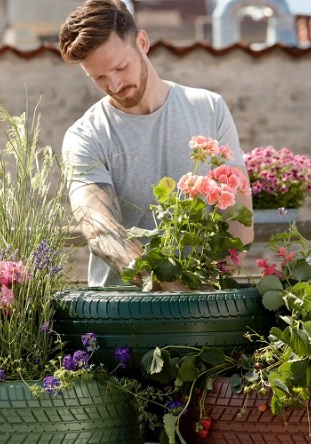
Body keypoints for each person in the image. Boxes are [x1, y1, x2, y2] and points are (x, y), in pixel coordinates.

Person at [58, 0, 253, 288]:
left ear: (142, 42)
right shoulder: (85, 136)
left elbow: (239, 217)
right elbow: (99, 228)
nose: (114, 85)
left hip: (204, 305)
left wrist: (211, 287)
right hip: (119, 314)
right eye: (98, 77)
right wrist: (167, 289)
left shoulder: (209, 108)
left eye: (120, 67)